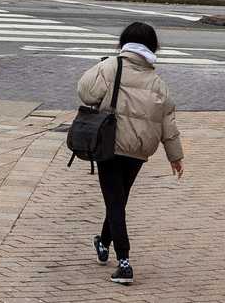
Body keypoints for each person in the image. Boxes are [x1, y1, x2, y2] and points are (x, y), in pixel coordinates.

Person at [75, 22, 184, 286]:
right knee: (118, 200)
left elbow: (84, 92)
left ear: (123, 42)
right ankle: (102, 243)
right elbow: (168, 122)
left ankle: (124, 263)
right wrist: (175, 156)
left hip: (110, 145)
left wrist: (101, 67)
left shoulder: (111, 66)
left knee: (114, 202)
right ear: (152, 47)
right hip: (139, 150)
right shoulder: (158, 82)